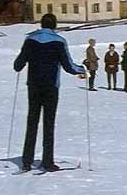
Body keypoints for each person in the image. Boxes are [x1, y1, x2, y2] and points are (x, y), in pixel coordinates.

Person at [13, 14, 87, 172]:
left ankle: (26, 161)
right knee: (48, 123)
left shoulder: (30, 39)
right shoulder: (59, 41)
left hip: (33, 85)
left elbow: (18, 64)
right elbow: (68, 66)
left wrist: (20, 65)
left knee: (31, 122)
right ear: (54, 25)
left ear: (41, 24)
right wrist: (81, 69)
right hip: (51, 86)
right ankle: (47, 161)